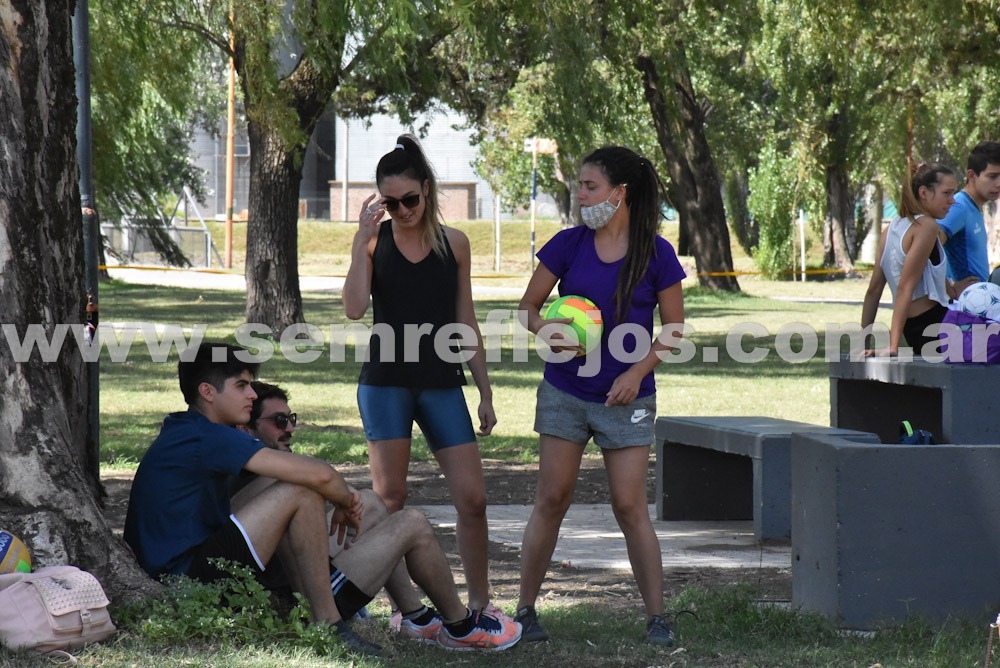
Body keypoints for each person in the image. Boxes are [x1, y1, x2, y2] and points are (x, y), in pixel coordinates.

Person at [124, 344, 520, 654]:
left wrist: (347, 500)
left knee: (373, 503)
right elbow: (319, 475)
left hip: (203, 567)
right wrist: (343, 502)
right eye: (242, 386)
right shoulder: (202, 435)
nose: (251, 395)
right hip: (185, 579)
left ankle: (414, 618)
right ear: (207, 392)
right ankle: (436, 627)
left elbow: (306, 473)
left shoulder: (190, 430)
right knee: (401, 518)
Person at [513, 146, 686, 646]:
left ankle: (657, 618)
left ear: (620, 193)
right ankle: (525, 612)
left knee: (630, 505)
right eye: (579, 187)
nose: (581, 196)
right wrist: (546, 329)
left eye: (590, 186)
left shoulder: (656, 254)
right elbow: (527, 307)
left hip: (626, 398)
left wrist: (637, 372)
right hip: (565, 391)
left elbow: (674, 330)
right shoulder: (567, 244)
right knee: (552, 498)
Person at [342, 134, 502, 618]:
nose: (402, 210)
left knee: (472, 499)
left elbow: (465, 320)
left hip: (440, 381)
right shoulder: (375, 241)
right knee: (390, 498)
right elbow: (353, 309)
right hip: (386, 382)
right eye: (390, 203)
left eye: (409, 199)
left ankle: (479, 602)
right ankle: (406, 610)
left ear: (427, 190)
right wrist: (357, 243)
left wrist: (486, 392)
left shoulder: (455, 244)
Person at [861, 162, 958, 357]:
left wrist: (862, 344)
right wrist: (892, 345)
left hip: (915, 329)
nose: (953, 201)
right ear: (924, 192)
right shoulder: (927, 226)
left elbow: (873, 291)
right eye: (946, 193)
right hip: (935, 327)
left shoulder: (890, 230)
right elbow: (906, 286)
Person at [937, 140, 1000, 292]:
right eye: (992, 176)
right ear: (971, 176)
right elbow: (928, 249)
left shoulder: (974, 207)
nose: (999, 183)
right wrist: (950, 288)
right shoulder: (959, 206)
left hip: (978, 303)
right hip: (963, 307)